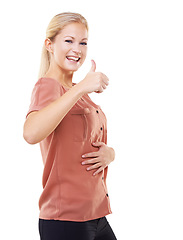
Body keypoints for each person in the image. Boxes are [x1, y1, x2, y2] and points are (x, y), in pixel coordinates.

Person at [23, 12, 117, 240]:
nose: (77, 49)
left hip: (96, 215)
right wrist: (82, 87)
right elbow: (31, 133)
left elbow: (86, 143)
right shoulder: (49, 86)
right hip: (65, 220)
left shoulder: (77, 92)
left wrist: (110, 154)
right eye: (69, 41)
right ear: (50, 45)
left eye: (83, 42)